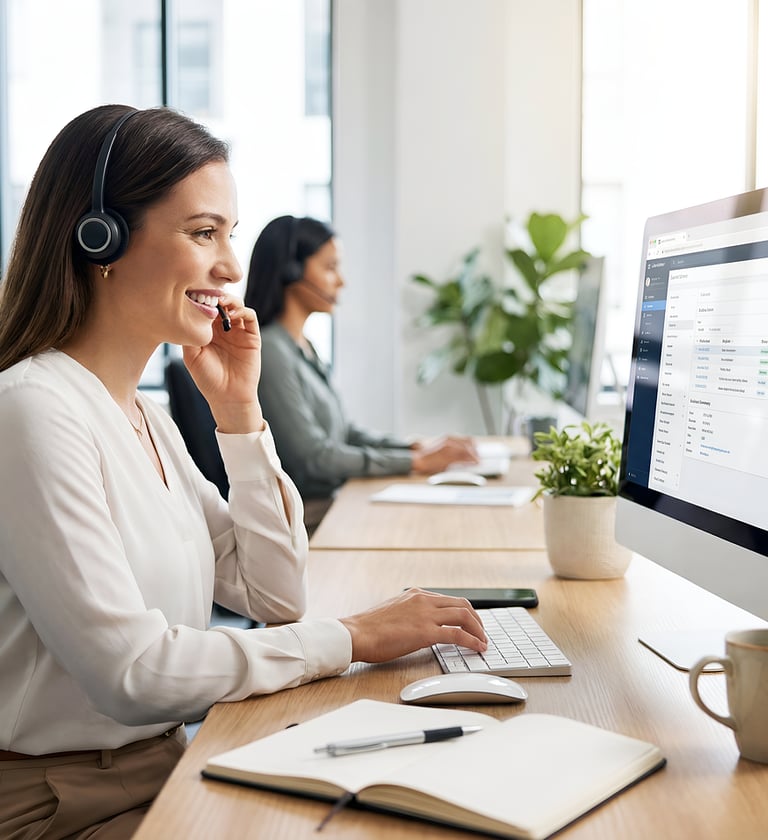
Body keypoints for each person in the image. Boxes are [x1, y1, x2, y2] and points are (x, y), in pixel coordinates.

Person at [0, 104, 487, 839]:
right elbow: (134, 673)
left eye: (229, 233)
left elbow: (275, 592)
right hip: (61, 804)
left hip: (162, 764)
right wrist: (353, 636)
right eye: (204, 233)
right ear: (99, 237)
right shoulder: (32, 411)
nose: (231, 268)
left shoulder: (146, 418)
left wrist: (241, 419)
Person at [245, 215, 479, 529]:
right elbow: (313, 458)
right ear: (292, 271)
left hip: (333, 501)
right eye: (330, 267)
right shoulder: (271, 350)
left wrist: (413, 447)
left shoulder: (302, 346)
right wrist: (416, 462)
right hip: (305, 516)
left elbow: (345, 433)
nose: (341, 281)